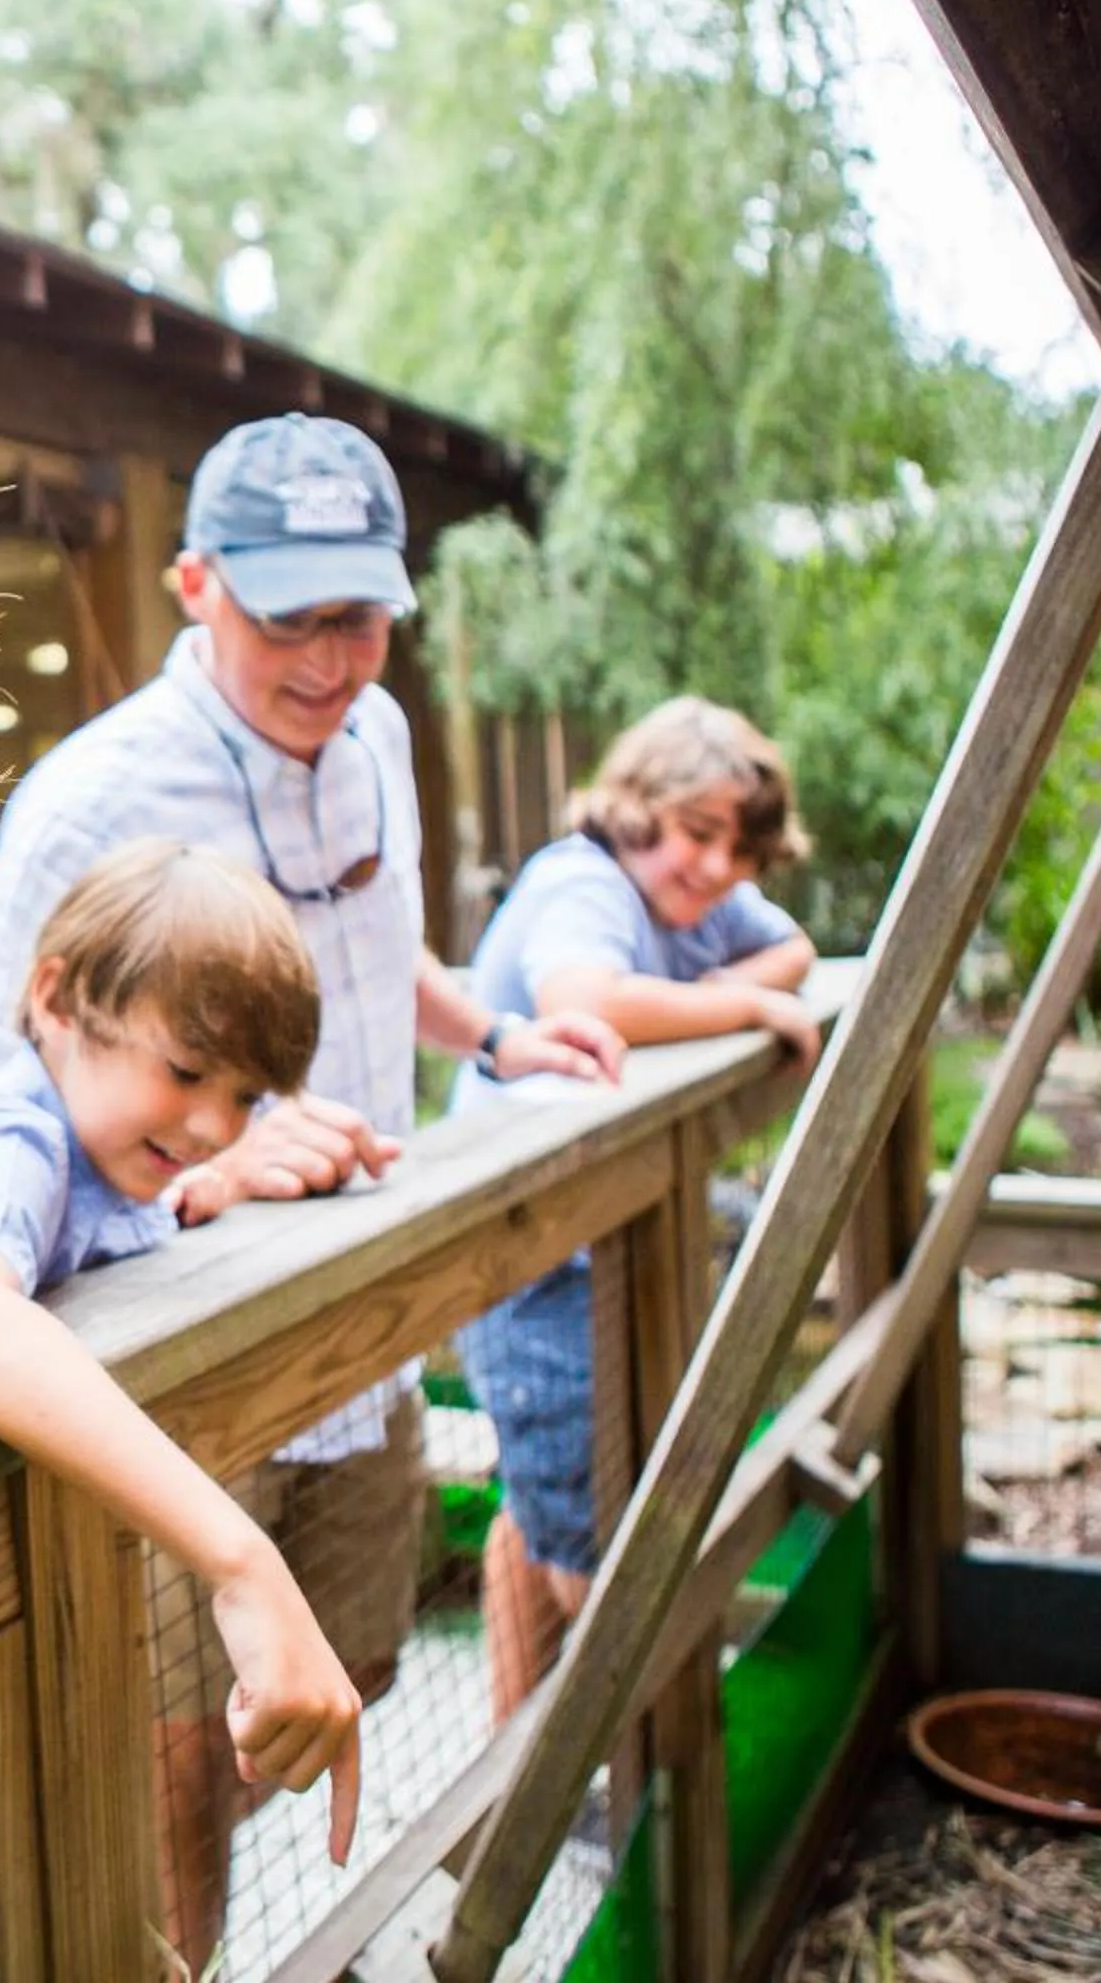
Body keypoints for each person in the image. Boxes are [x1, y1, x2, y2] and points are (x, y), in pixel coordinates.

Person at [0, 412, 624, 1965]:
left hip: (361, 1324)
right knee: (188, 1747)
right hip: (178, 1354)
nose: (329, 658)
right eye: (288, 616)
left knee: (355, 1668)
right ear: (196, 585)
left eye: (361, 616)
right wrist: (209, 1164)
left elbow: (387, 955)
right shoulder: (92, 803)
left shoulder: (374, 740)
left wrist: (503, 1030)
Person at [0, 842, 362, 1926]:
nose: (214, 1119)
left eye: (246, 1093)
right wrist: (240, 1557)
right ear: (56, 995)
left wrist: (215, 1179)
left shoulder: (121, 1152)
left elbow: (127, 1204)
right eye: (186, 1070)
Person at [451, 697, 814, 1720]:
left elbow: (789, 943)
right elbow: (584, 1000)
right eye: (699, 835)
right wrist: (744, 1004)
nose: (715, 870)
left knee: (541, 1508)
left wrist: (743, 979)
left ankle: (510, 1756)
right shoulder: (583, 880)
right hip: (530, 1255)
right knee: (595, 1542)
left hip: (599, 1238)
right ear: (637, 803)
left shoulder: (683, 901)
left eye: (739, 851)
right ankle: (631, 1765)